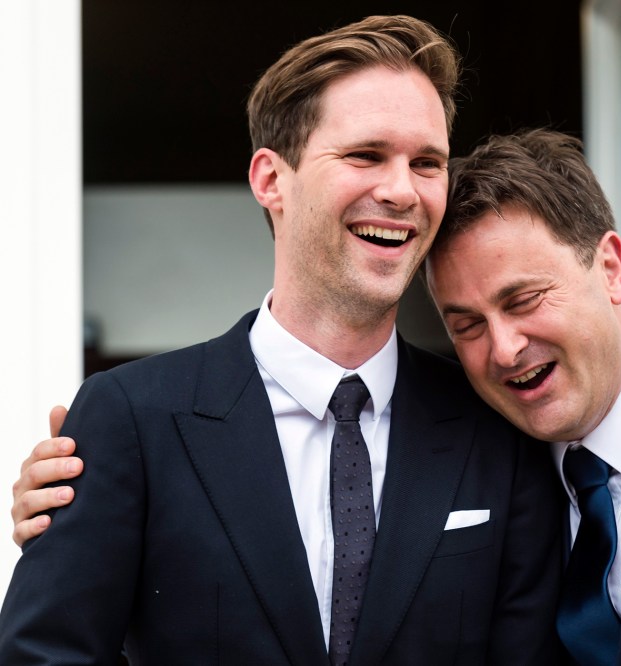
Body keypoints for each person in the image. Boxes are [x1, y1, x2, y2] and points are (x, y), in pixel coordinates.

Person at [11, 127, 621, 662]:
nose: (503, 347)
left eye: (524, 299)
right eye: (465, 322)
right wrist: (105, 491)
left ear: (610, 266)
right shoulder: (490, 459)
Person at [0, 16, 561, 666]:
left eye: (427, 163)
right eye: (365, 155)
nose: (402, 190)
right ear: (271, 180)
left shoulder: (494, 426)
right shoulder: (131, 419)